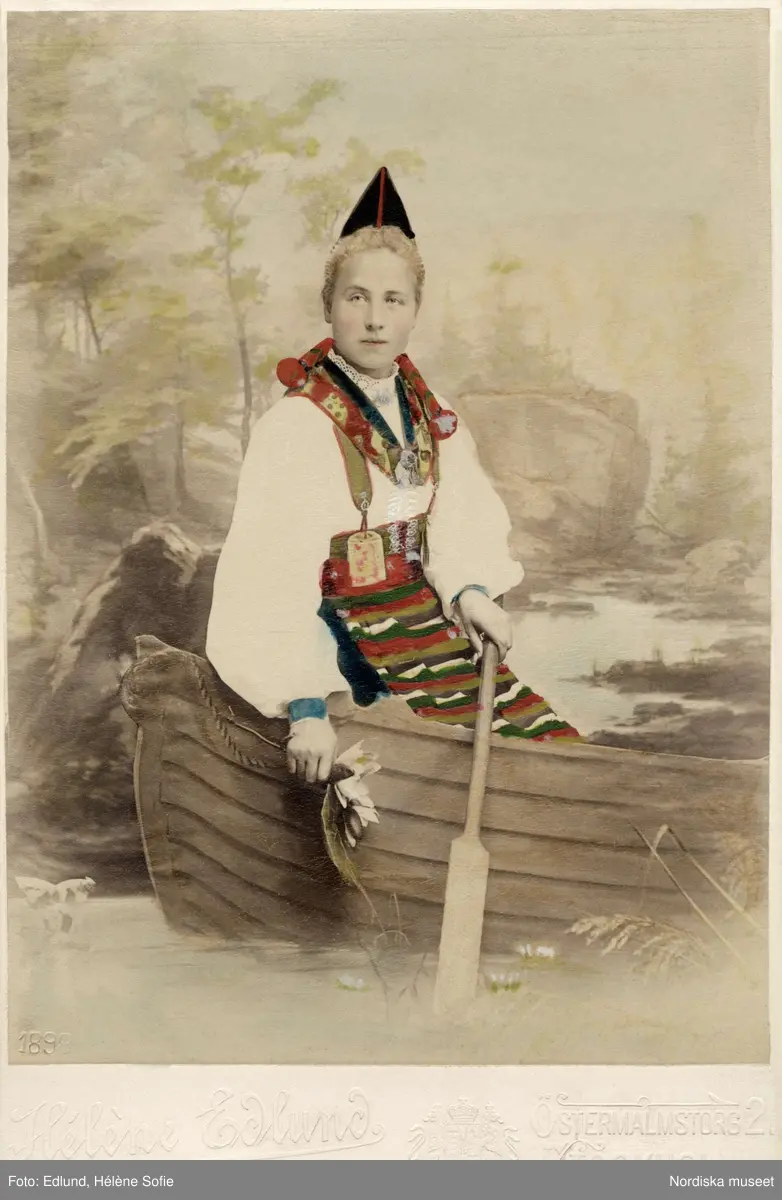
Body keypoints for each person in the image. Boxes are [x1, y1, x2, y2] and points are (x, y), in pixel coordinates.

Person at [206, 167, 580, 791]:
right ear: (329, 305)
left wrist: (470, 591)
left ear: (414, 312)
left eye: (393, 301)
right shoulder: (295, 425)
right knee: (440, 762)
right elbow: (268, 574)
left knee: (541, 747)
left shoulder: (431, 413)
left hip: (423, 622)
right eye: (357, 298)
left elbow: (459, 518)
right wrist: (305, 703)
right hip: (341, 638)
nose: (375, 319)